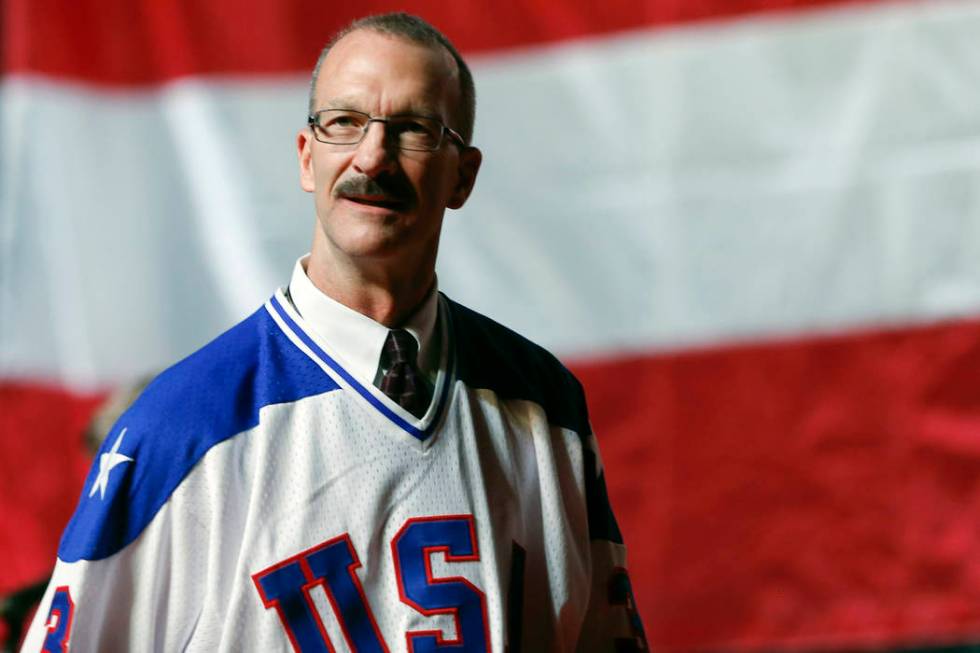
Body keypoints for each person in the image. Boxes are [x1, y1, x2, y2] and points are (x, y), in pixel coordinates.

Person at [24, 13, 646, 652]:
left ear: (462, 175)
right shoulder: (181, 428)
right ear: (306, 156)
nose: (372, 157)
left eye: (413, 130)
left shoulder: (546, 404)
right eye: (345, 122)